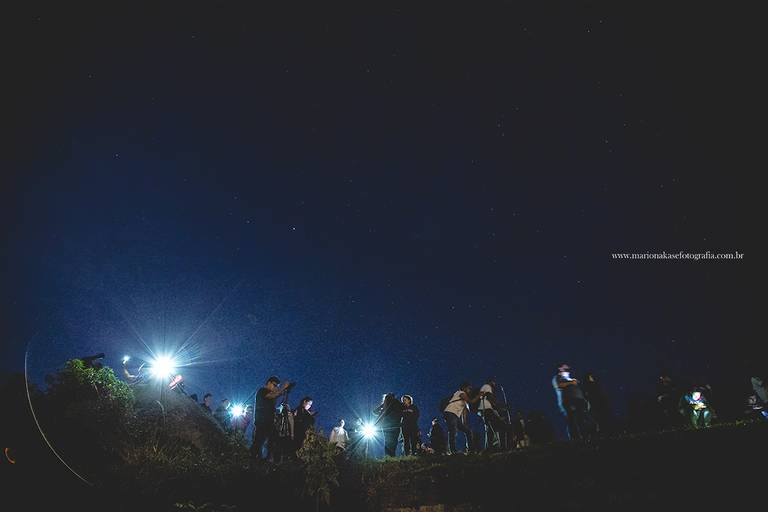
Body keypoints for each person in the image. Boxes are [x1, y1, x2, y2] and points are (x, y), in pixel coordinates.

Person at [251, 376, 294, 460]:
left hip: (269, 422)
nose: (275, 388)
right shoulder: (262, 391)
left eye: (276, 386)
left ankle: (268, 460)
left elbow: (274, 398)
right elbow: (271, 396)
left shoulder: (271, 394)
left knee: (273, 441)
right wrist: (283, 388)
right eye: (275, 385)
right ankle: (251, 459)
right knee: (258, 442)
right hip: (262, 421)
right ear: (269, 383)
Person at [552, 363, 595, 441]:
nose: (568, 367)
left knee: (582, 418)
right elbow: (560, 385)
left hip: (579, 400)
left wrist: (584, 400)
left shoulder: (570, 378)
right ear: (560, 368)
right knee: (572, 420)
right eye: (565, 366)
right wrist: (571, 382)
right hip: (569, 401)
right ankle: (575, 438)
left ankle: (586, 436)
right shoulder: (557, 377)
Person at [443, 382, 482, 454]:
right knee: (453, 431)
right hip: (450, 413)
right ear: (464, 388)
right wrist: (479, 395)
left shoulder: (463, 401)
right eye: (469, 388)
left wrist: (464, 424)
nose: (470, 390)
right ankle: (453, 451)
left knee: (468, 431)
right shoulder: (460, 392)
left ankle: (470, 450)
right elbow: (471, 401)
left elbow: (464, 412)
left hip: (455, 415)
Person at [477, 378, 510, 451]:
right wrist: (499, 406)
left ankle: (490, 448)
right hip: (486, 410)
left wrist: (499, 408)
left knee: (492, 429)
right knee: (502, 426)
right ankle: (502, 447)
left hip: (485, 410)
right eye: (494, 382)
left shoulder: (485, 388)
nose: (495, 384)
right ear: (491, 382)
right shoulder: (487, 386)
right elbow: (489, 397)